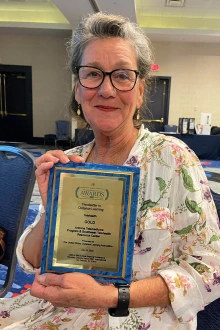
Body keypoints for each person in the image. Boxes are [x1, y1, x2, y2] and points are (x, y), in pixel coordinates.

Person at [1, 12, 220, 330]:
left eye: (121, 75)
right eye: (92, 74)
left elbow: (210, 271)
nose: (106, 90)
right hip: (54, 308)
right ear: (78, 88)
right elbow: (30, 262)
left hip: (134, 317)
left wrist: (110, 296)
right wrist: (52, 211)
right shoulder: (69, 164)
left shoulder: (172, 159)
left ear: (140, 90)